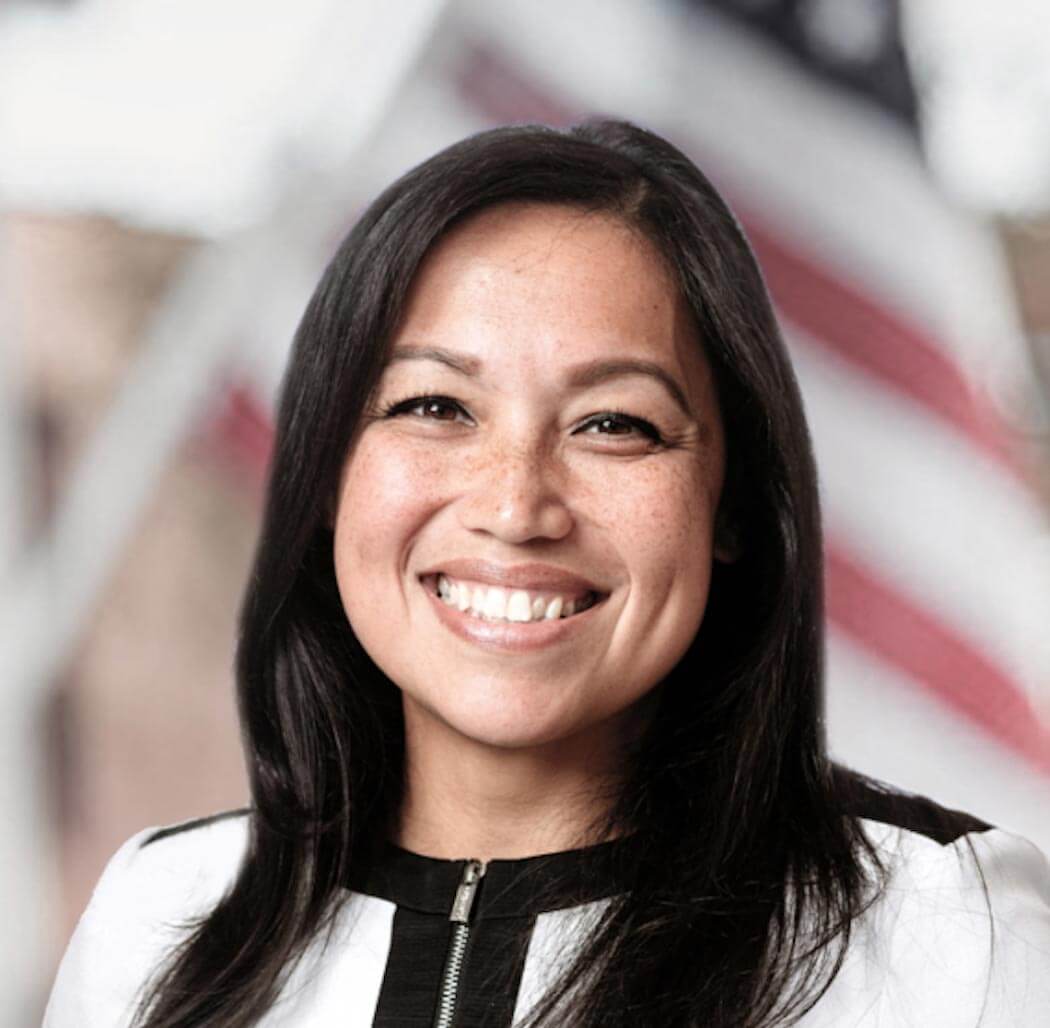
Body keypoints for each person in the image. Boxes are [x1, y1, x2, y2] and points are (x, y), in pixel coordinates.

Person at [45, 121, 1050, 1027]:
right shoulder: (161, 913)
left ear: (731, 506)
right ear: (325, 473)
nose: (517, 503)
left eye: (614, 423)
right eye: (435, 406)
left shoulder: (946, 924)